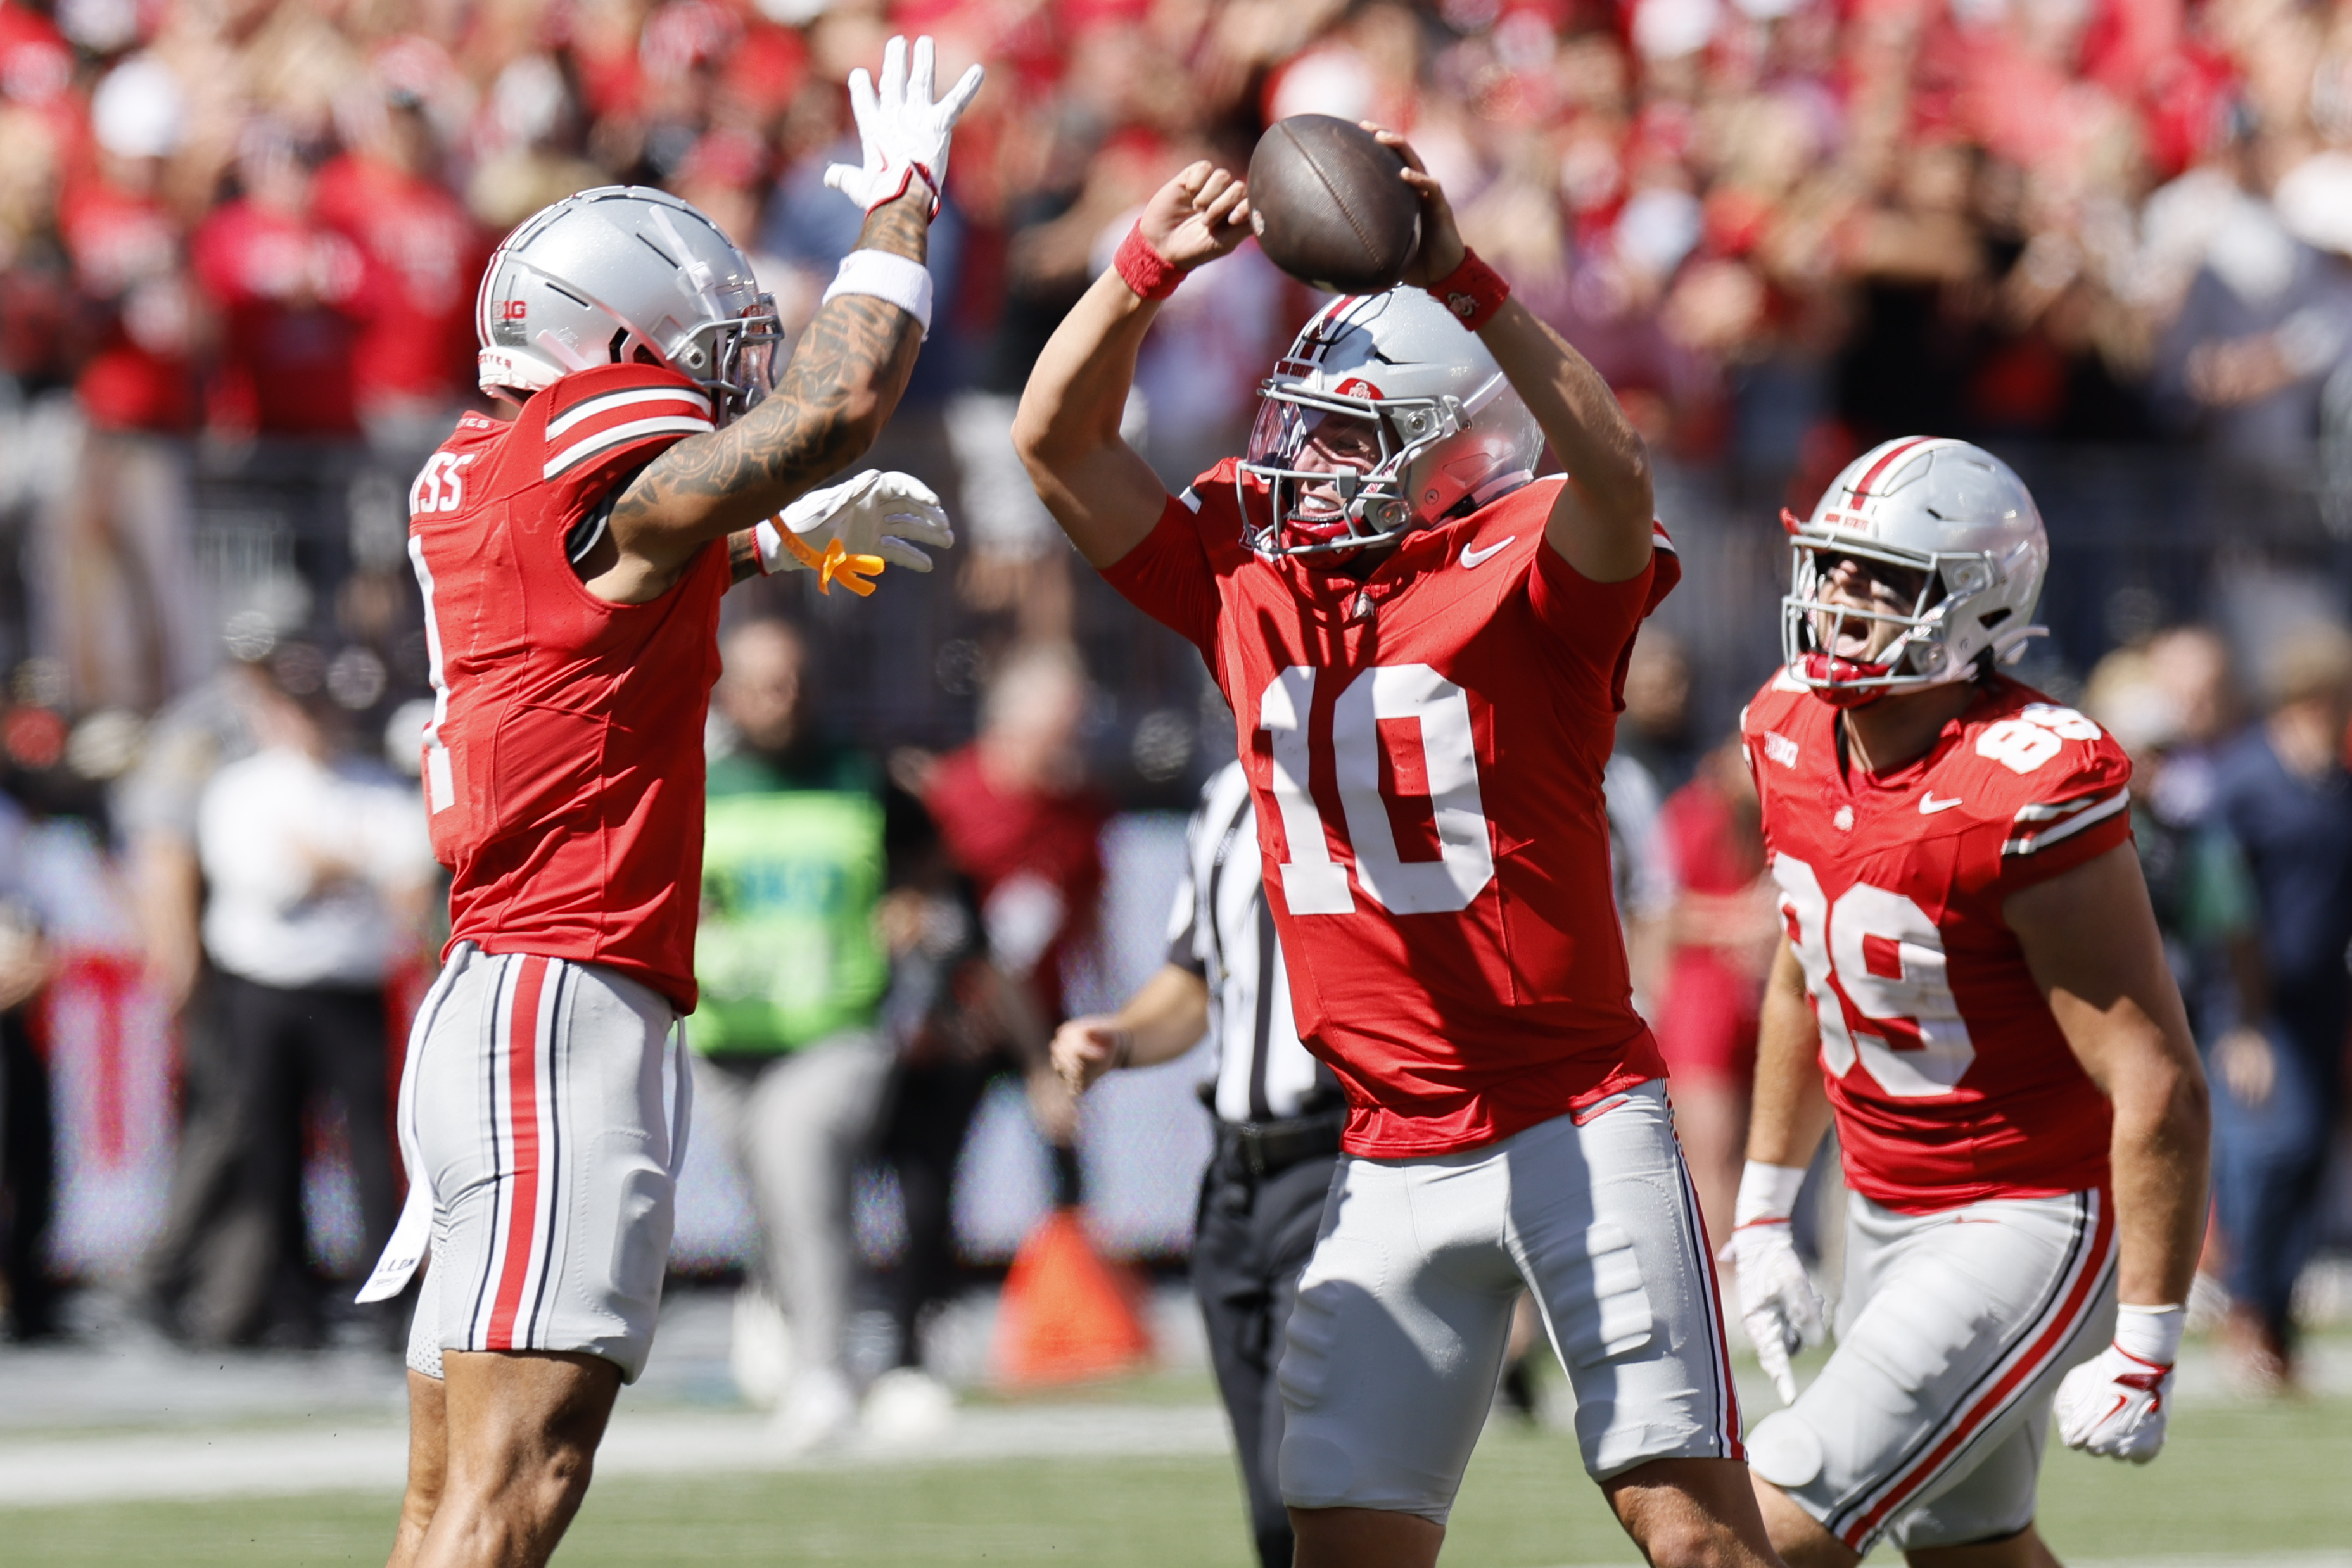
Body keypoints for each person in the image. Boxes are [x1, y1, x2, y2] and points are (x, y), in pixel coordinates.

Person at [1014, 139, 1772, 1568]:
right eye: (1296, 423)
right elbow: (1053, 444)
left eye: (1347, 436)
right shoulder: (1249, 572)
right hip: (1379, 1140)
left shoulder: (1532, 571)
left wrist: (1465, 281)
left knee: (1693, 1535)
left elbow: (1606, 468)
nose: (1302, 462)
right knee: (1343, 1543)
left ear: (1456, 455)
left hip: (1570, 1113)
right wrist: (1141, 269)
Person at [359, 37, 977, 1568]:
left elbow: (596, 593)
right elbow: (835, 402)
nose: (720, 378)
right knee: (516, 1487)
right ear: (603, 341)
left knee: (448, 1502)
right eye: (694, 347)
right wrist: (898, 208)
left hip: (492, 992)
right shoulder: (580, 446)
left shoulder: (480, 468)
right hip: (558, 998)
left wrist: (771, 541)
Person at [1729, 437, 2213, 1567]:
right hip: (1881, 1210)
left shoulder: (2026, 780)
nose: (1841, 598)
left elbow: (2156, 1079)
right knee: (1970, 1553)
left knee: (1751, 1535)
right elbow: (1807, 969)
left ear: (1975, 602)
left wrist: (2145, 1337)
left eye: (1882, 579)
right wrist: (1762, 1205)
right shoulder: (1786, 726)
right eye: (1835, 567)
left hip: (2024, 1215)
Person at [1053, 759, 1342, 1568]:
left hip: (1338, 1164)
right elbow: (1192, 984)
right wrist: (1120, 1038)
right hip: (1233, 1180)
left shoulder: (1381, 774)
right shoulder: (1226, 793)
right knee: (1268, 1503)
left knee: (1312, 1479)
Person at [694, 617, 929, 1449]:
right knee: (773, 1204)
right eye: (760, 684)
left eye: (790, 680)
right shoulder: (700, 782)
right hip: (727, 1037)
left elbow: (929, 868)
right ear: (727, 694)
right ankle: (787, 1317)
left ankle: (824, 1371)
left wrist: (914, 908)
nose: (778, 699)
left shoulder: (864, 775)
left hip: (835, 1027)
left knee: (803, 1176)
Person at [193, 642, 435, 1346]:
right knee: (270, 1145)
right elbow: (265, 878)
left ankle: (387, 1296)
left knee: (373, 1146)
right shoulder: (242, 788)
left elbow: (410, 872)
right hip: (263, 988)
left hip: (348, 987)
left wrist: (329, 864)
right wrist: (349, 866)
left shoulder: (371, 785)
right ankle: (288, 1299)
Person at [2202, 624, 2352, 1390]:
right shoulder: (2246, 779)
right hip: (2254, 1004)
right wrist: (2242, 1021)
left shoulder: (2335, 781)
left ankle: (2280, 1322)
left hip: (2324, 1000)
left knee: (2306, 1161)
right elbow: (2224, 905)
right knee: (2268, 1149)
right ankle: (2248, 1309)